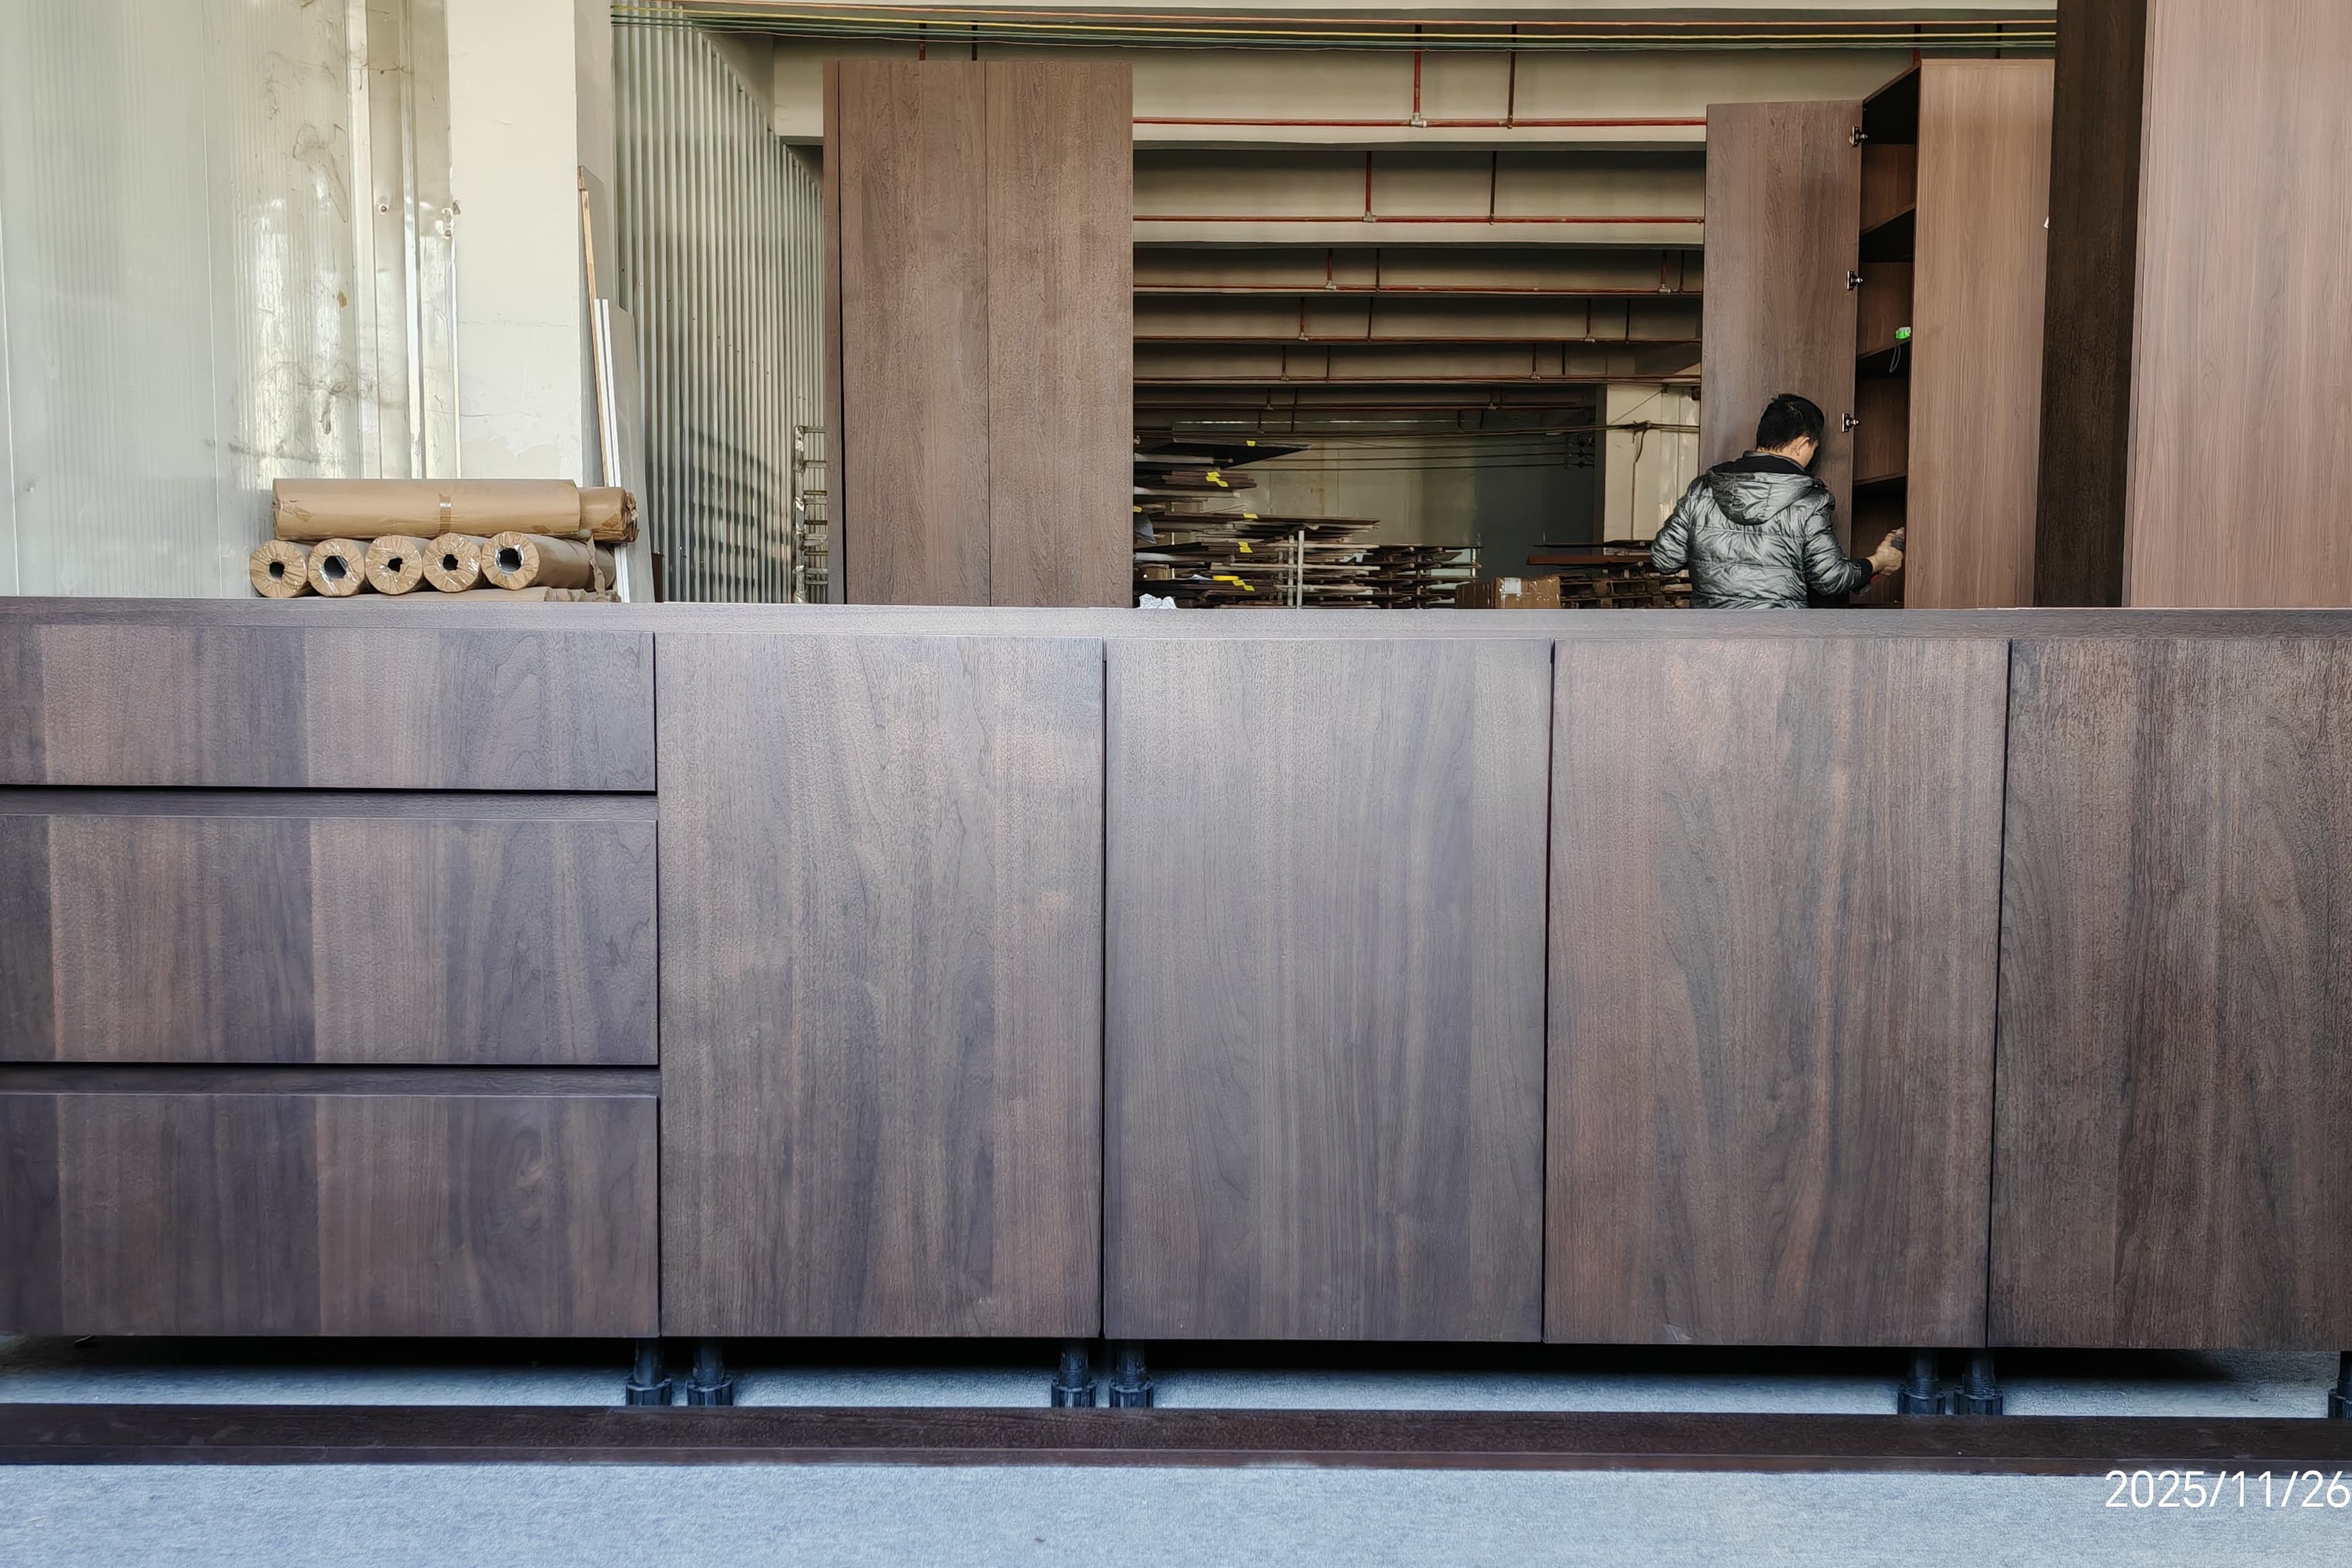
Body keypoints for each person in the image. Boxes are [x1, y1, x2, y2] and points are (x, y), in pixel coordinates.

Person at [1650, 392, 1902, 608]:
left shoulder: (1703, 489)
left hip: (1711, 642)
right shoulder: (1810, 501)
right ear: (1803, 444)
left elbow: (1665, 559)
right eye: (1814, 447)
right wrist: (1878, 562)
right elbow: (1830, 579)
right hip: (1779, 643)